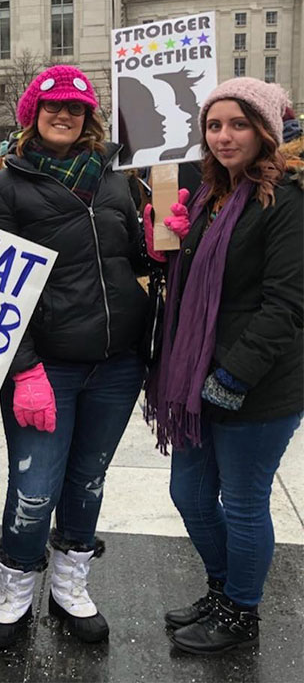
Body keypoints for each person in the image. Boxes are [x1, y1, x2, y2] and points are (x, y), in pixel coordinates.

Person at [0, 65, 148, 648]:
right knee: (35, 486)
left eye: (75, 108)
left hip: (117, 363)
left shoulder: (118, 177)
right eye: (53, 106)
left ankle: (71, 580)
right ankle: (16, 585)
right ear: (32, 114)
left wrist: (167, 241)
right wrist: (22, 368)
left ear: (89, 116)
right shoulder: (5, 187)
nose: (64, 115)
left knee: (87, 480)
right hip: (44, 367)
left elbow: (137, 260)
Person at [143, 77, 303, 655]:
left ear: (264, 131)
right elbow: (199, 286)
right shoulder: (214, 195)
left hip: (256, 387)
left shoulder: (286, 200)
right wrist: (170, 245)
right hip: (196, 382)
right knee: (189, 494)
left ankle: (241, 612)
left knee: (241, 502)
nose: (224, 136)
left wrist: (232, 378)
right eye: (214, 125)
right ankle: (222, 588)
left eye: (238, 124)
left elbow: (285, 305)